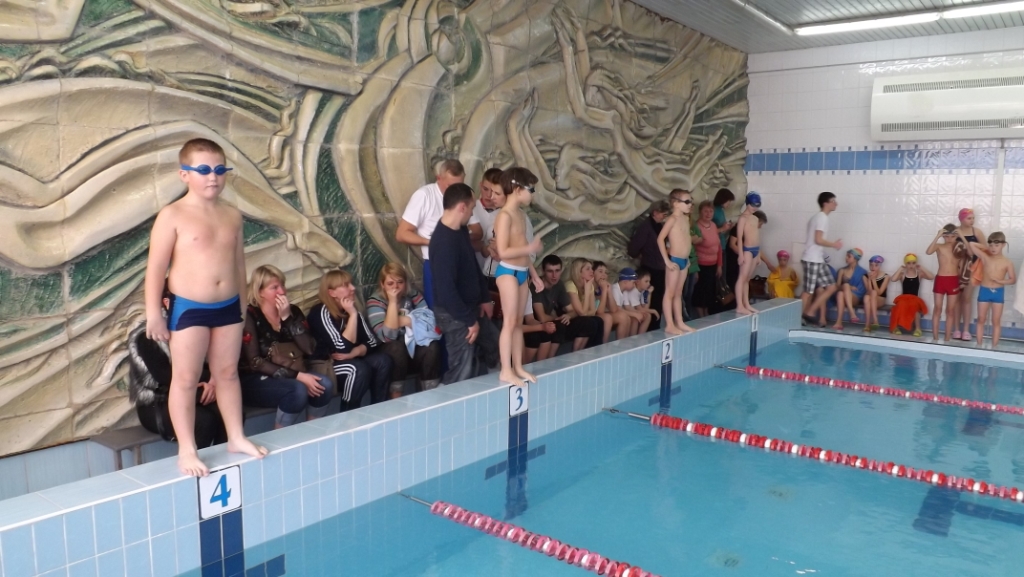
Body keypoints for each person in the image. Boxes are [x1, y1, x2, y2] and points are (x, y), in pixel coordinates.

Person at [144, 138, 266, 477]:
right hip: (189, 308)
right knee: (185, 378)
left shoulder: (232, 215)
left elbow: (239, 265)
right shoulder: (172, 215)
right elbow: (155, 268)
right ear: (184, 174)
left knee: (227, 373)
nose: (212, 176)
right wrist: (153, 313)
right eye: (203, 170)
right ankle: (187, 449)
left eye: (219, 169)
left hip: (228, 307)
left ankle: (236, 437)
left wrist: (242, 308)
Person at [128, 290, 226, 449]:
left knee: (228, 412)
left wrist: (211, 383)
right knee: (204, 421)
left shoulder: (194, 327)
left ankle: (223, 459)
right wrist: (206, 381)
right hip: (156, 403)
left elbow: (211, 363)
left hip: (191, 391)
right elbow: (164, 376)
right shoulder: (147, 334)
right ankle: (192, 461)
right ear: (167, 303)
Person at [240, 266, 336, 427]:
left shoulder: (293, 311)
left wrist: (287, 318)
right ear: (260, 292)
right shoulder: (250, 315)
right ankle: (281, 435)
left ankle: (313, 431)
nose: (282, 291)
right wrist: (298, 376)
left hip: (292, 370)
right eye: (274, 287)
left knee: (324, 385)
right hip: (255, 378)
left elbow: (310, 349)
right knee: (297, 390)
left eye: (282, 285)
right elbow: (255, 362)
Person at [429, 183, 500, 384]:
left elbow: (472, 266)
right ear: (462, 207)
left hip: (471, 308)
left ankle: (495, 388)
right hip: (455, 315)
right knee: (463, 368)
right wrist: (469, 321)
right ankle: (449, 399)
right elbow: (446, 291)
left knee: (495, 345)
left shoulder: (459, 230)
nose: (472, 213)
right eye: (471, 208)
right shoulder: (443, 242)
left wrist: (484, 298)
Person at [396, 159, 482, 308]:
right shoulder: (424, 195)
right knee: (440, 311)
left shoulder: (464, 195)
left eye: (459, 185)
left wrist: (457, 240)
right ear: (439, 178)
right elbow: (402, 233)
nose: (455, 190)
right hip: (436, 263)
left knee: (466, 308)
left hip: (462, 262)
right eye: (450, 185)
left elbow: (478, 232)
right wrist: (435, 242)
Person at [308, 270, 393, 410]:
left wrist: (355, 352)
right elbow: (342, 348)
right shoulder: (321, 311)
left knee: (383, 360)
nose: (353, 288)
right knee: (357, 369)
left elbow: (372, 341)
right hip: (327, 365)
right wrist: (352, 315)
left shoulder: (350, 309)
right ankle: (348, 413)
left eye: (351, 284)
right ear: (332, 293)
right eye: (346, 285)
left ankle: (379, 409)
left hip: (350, 360)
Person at [493, 167, 545, 386]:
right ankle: (505, 370)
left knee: (518, 323)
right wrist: (530, 248)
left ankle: (518, 366)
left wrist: (534, 274)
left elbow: (523, 248)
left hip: (523, 273)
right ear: (517, 189)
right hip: (507, 272)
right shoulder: (504, 216)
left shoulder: (521, 215)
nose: (532, 193)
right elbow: (502, 251)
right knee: (510, 321)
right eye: (530, 189)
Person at [365, 263, 443, 396]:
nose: (395, 287)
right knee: (396, 347)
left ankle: (430, 394)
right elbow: (387, 336)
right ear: (382, 284)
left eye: (400, 282)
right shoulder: (375, 301)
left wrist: (402, 320)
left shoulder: (412, 295)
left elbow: (429, 325)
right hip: (388, 350)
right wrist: (393, 303)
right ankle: (396, 397)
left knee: (431, 346)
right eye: (390, 283)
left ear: (405, 283)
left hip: (412, 346)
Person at [532, 255, 604, 352]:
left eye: (557, 271)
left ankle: (588, 355)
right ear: (543, 271)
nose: (554, 275)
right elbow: (542, 318)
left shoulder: (559, 284)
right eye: (550, 271)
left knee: (593, 322)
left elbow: (573, 311)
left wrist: (568, 315)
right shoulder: (536, 285)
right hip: (535, 324)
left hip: (555, 320)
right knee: (561, 326)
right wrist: (559, 317)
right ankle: (557, 359)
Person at [964, 231, 1016, 347]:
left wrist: (1000, 281)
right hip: (985, 291)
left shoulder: (1007, 262)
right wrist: (986, 247)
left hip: (998, 292)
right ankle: (979, 345)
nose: (993, 248)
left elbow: (1013, 280)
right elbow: (972, 244)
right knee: (981, 319)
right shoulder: (985, 257)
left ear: (1003, 245)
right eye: (991, 245)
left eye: (996, 245)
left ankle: (994, 347)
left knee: (996, 321)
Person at [800, 192, 842, 328]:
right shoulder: (822, 218)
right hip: (812, 259)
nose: (836, 203)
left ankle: (810, 311)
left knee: (831, 287)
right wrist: (834, 244)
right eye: (833, 201)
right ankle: (797, 318)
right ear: (825, 203)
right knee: (808, 292)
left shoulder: (819, 217)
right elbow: (818, 239)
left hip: (818, 259)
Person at [658, 189, 696, 335]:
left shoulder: (685, 219)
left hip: (684, 261)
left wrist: (688, 259)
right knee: (670, 292)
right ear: (675, 203)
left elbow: (686, 239)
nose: (690, 204)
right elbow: (660, 239)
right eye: (687, 202)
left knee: (678, 293)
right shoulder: (672, 219)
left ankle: (679, 322)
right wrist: (667, 261)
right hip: (674, 260)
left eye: (690, 201)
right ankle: (669, 324)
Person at [627, 199, 670, 324]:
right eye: (663, 213)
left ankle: (655, 325)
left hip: (659, 268)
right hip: (651, 268)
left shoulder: (658, 226)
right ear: (655, 212)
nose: (664, 216)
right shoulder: (646, 227)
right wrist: (644, 254)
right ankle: (650, 327)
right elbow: (633, 249)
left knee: (658, 299)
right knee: (650, 301)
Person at [926, 224, 963, 341]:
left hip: (953, 280)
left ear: (956, 236)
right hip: (941, 280)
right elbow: (928, 252)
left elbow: (971, 253)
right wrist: (937, 236)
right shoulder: (939, 246)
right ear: (943, 236)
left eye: (953, 236)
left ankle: (947, 338)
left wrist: (962, 236)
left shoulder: (959, 248)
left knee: (950, 311)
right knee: (937, 308)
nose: (949, 239)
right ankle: (935, 337)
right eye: (946, 236)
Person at [954, 208, 984, 341]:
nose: (972, 221)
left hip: (971, 270)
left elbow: (985, 250)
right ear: (961, 219)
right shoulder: (955, 232)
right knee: (956, 299)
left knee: (966, 298)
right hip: (956, 269)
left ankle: (965, 329)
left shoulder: (976, 232)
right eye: (969, 218)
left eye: (973, 218)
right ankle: (956, 329)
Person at [890, 254, 933, 336]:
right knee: (899, 305)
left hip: (915, 299)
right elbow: (893, 279)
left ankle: (918, 329)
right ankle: (895, 327)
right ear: (905, 264)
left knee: (915, 307)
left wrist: (922, 268)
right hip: (904, 298)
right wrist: (900, 269)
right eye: (909, 263)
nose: (911, 265)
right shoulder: (903, 275)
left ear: (916, 264)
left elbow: (931, 277)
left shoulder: (919, 274)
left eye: (913, 263)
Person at [734, 192, 763, 315]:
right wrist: (740, 254)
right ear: (747, 203)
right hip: (747, 250)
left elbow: (757, 237)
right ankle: (739, 306)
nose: (755, 208)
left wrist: (759, 254)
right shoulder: (742, 218)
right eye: (753, 205)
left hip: (755, 250)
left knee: (747, 279)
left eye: (757, 205)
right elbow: (739, 238)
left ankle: (746, 304)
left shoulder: (755, 218)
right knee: (742, 278)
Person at [693, 200, 722, 318]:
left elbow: (718, 246)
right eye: (705, 211)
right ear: (700, 212)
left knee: (710, 292)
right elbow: (692, 249)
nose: (708, 214)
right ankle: (701, 317)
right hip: (701, 265)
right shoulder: (696, 226)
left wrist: (719, 265)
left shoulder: (713, 225)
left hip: (713, 264)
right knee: (700, 292)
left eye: (711, 211)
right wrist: (695, 268)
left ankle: (706, 315)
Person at [594, 260, 635, 341]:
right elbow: (600, 312)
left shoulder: (602, 287)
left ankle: (622, 345)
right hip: (593, 315)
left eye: (606, 273)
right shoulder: (592, 288)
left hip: (601, 314)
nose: (604, 275)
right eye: (600, 271)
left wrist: (609, 291)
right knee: (608, 318)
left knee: (624, 317)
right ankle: (604, 345)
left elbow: (613, 309)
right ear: (593, 273)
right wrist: (605, 290)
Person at [832, 249, 867, 331]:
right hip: (842, 295)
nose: (846, 258)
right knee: (841, 292)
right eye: (846, 256)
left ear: (855, 258)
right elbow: (837, 286)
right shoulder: (842, 270)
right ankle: (849, 315)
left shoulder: (863, 272)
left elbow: (861, 290)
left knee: (844, 288)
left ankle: (840, 321)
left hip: (855, 296)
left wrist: (848, 288)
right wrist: (849, 287)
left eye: (849, 256)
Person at [611, 267, 652, 334]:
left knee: (633, 317)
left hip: (618, 312)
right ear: (625, 282)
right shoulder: (615, 290)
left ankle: (633, 338)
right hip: (611, 313)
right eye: (633, 283)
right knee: (629, 318)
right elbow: (618, 309)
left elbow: (626, 307)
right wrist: (635, 314)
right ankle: (628, 339)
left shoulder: (624, 291)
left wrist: (636, 313)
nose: (634, 286)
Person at [522, 292, 557, 363]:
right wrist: (542, 327)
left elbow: (530, 319)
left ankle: (541, 366)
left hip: (521, 325)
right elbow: (514, 328)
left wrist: (547, 325)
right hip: (506, 327)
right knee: (533, 338)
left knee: (545, 334)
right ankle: (522, 365)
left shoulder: (527, 292)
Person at [862, 256, 890, 332]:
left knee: (873, 293)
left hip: (880, 299)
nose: (873, 267)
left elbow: (880, 293)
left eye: (876, 265)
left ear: (880, 266)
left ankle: (872, 321)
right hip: (870, 298)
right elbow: (869, 291)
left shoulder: (886, 276)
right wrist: (869, 280)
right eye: (871, 265)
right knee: (867, 297)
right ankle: (870, 323)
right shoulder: (865, 276)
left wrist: (873, 280)